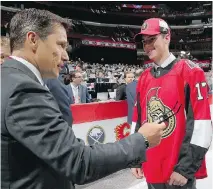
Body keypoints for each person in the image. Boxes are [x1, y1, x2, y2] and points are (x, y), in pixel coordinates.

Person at [1, 9, 166, 189]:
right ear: (33, 39)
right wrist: (141, 140)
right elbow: (79, 162)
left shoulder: (9, 80)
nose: (66, 55)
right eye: (61, 45)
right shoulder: (24, 90)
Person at [132, 18, 212, 189]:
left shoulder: (190, 72)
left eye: (152, 39)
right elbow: (138, 121)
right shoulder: (144, 78)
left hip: (178, 172)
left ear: (167, 36)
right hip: (152, 168)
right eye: (144, 42)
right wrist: (135, 158)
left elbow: (201, 124)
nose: (147, 46)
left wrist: (185, 169)